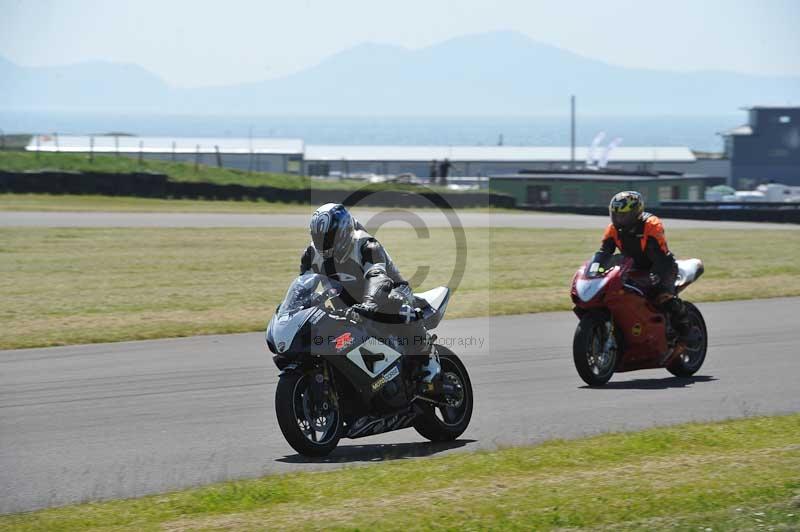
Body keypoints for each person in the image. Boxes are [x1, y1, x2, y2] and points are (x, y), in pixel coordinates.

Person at [301, 203, 441, 385]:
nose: (323, 244)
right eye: (318, 238)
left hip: (390, 290)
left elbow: (378, 278)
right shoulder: (311, 254)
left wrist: (369, 304)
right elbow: (303, 287)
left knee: (396, 305)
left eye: (328, 239)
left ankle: (427, 357)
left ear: (344, 232)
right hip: (348, 302)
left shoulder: (366, 245)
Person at [591, 191, 690, 353]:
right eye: (615, 215)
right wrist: (595, 270)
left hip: (661, 266)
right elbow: (604, 253)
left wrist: (655, 276)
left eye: (623, 215)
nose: (619, 219)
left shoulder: (651, 225)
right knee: (616, 293)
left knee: (662, 297)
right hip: (633, 268)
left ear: (636, 213)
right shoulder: (613, 229)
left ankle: (685, 334)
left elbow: (660, 256)